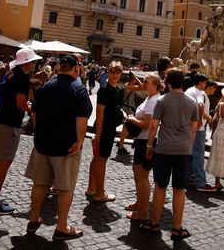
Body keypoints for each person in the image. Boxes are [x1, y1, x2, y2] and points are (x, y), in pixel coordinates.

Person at [25, 54, 92, 239]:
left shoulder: (46, 86)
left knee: (39, 183)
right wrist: (79, 141)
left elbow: (34, 113)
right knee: (65, 187)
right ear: (76, 68)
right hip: (66, 146)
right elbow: (82, 119)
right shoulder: (78, 89)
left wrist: (40, 131)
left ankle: (33, 218)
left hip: (42, 143)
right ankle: (61, 227)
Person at [0, 47, 40, 216]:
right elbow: (20, 103)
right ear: (27, 63)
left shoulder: (11, 73)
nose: (35, 64)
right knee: (4, 163)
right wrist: (31, 107)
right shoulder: (22, 78)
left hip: (0, 119)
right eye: (33, 61)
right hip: (9, 123)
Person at [140, 69, 199, 240]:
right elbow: (194, 129)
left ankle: (154, 223)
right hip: (184, 151)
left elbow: (153, 126)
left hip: (164, 149)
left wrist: (150, 145)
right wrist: (189, 146)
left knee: (160, 186)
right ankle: (177, 228)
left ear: (168, 83)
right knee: (180, 190)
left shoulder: (162, 100)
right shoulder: (192, 102)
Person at [122, 72, 162, 220]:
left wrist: (131, 118)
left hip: (146, 141)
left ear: (155, 85)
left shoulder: (153, 101)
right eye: (144, 81)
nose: (143, 84)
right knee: (138, 174)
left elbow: (147, 124)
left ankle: (144, 212)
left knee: (142, 176)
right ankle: (140, 202)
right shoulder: (150, 97)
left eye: (146, 82)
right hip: (142, 140)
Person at [86, 62, 124, 201]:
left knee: (97, 159)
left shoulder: (116, 90)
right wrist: (99, 134)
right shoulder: (104, 89)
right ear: (108, 72)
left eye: (117, 73)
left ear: (120, 74)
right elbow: (99, 112)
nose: (114, 75)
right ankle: (100, 193)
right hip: (104, 129)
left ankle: (91, 188)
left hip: (108, 128)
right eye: (112, 72)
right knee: (101, 160)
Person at [185, 74, 215, 192]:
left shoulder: (188, 90)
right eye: (205, 83)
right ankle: (201, 183)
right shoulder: (198, 92)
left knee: (190, 154)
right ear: (201, 82)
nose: (206, 85)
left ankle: (189, 177)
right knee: (198, 155)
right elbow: (200, 105)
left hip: (187, 126)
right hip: (198, 128)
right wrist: (199, 121)